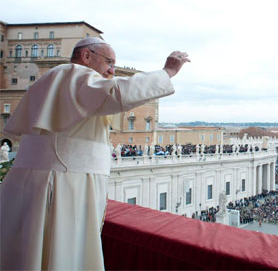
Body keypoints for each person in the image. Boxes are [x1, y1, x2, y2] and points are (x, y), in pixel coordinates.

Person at [0, 37, 190, 270]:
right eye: (109, 62)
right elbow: (118, 92)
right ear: (86, 56)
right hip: (62, 185)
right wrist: (167, 72)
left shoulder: (57, 81)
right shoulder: (72, 73)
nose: (111, 70)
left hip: (53, 180)